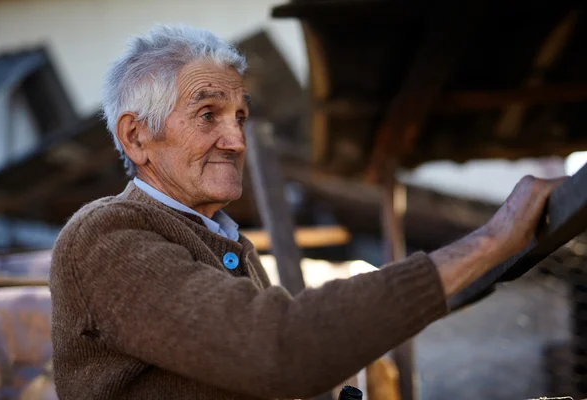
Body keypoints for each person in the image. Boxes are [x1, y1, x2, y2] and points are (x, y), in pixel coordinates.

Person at [49, 24, 565, 400]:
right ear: (137, 136)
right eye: (208, 114)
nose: (235, 140)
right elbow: (278, 349)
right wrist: (491, 240)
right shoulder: (108, 234)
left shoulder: (221, 240)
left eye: (240, 117)